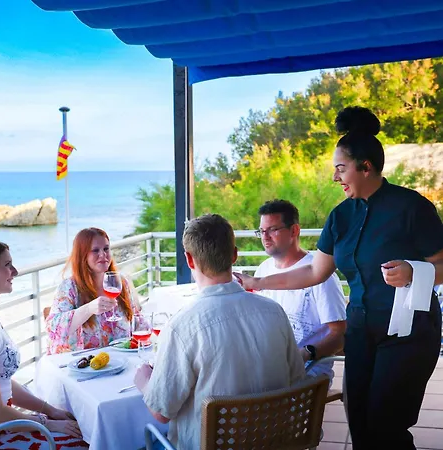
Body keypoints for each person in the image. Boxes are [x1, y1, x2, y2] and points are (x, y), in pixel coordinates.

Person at [235, 106, 443, 450]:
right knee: (359, 423)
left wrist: (412, 272)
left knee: (386, 427)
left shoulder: (412, 208)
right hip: (361, 332)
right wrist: (258, 283)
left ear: (366, 167)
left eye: (340, 168)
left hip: (408, 333)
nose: (335, 177)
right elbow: (315, 271)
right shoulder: (340, 217)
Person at [134, 214, 306, 450]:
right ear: (234, 255)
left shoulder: (182, 327)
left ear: (189, 260)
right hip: (272, 443)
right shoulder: (275, 312)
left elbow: (161, 412)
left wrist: (144, 381)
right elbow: (296, 379)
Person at [0, 240, 87, 448]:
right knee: (84, 442)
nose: (15, 271)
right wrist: (48, 424)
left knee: (82, 429)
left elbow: (3, 382)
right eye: (7, 265)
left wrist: (49, 410)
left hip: (5, 425)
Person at [254, 199, 346, 381]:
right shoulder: (263, 270)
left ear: (294, 230)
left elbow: (340, 335)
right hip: (270, 368)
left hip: (308, 373)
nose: (265, 237)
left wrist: (305, 353)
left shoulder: (321, 274)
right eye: (262, 231)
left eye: (272, 229)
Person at [46, 227, 138, 354]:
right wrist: (89, 309)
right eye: (95, 250)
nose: (103, 254)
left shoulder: (120, 282)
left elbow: (135, 320)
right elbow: (53, 328)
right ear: (82, 255)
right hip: (85, 363)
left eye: (106, 249)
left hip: (121, 360)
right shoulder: (69, 287)